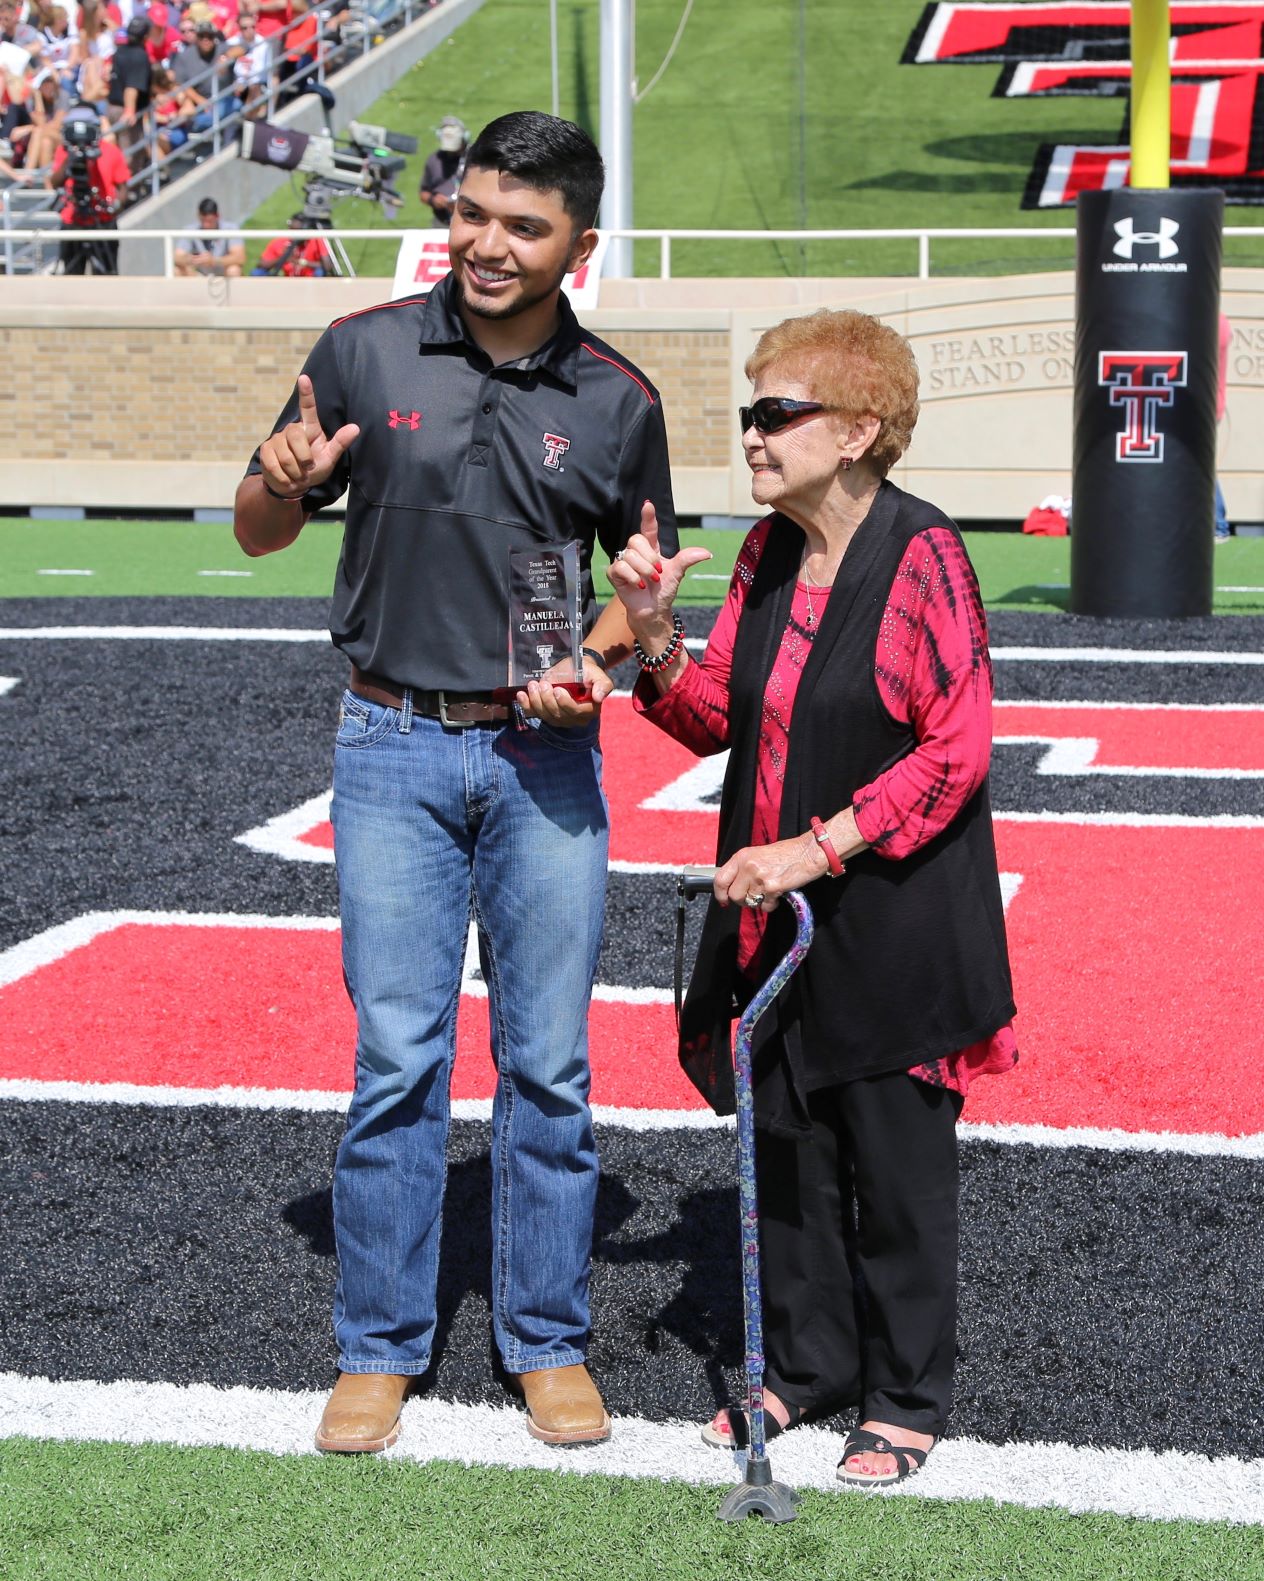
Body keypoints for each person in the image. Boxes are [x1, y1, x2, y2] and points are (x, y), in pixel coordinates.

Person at [232, 110, 677, 1456]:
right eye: (473, 210)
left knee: (548, 1066)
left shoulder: (621, 400)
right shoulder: (360, 347)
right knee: (398, 1058)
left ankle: (547, 1341)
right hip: (391, 749)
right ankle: (379, 1343)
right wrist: (281, 476)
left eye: (522, 224)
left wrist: (602, 657)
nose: (486, 242)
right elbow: (258, 531)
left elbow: (633, 600)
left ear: (578, 246)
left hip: (545, 758)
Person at [608, 308, 1017, 1489]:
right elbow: (716, 718)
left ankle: (903, 1396)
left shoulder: (924, 552)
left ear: (859, 431)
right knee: (782, 1146)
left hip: (890, 910)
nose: (751, 432)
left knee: (891, 1167)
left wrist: (815, 848)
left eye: (777, 412)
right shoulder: (763, 553)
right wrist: (649, 635)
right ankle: (807, 1362)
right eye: (750, 410)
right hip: (773, 910)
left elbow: (957, 748)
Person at [47, 100, 127, 270]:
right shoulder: (63, 151)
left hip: (102, 220)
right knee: (71, 274)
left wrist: (114, 207)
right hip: (72, 219)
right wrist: (71, 158)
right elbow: (55, 182)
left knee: (106, 273)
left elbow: (123, 187)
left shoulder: (111, 151)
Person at [173, 192, 243, 274]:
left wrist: (214, 260)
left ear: (217, 216)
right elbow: (177, 257)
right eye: (203, 220)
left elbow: (240, 257)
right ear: (198, 216)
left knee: (234, 270)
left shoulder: (230, 228)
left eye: (210, 221)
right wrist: (193, 259)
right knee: (177, 270)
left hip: (223, 275)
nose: (206, 225)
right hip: (199, 275)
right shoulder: (191, 230)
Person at [418, 113, 465, 226]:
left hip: (470, 221)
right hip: (441, 222)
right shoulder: (434, 160)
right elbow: (423, 192)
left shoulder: (477, 158)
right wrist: (433, 200)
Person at [250, 210, 326, 274]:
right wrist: (283, 257)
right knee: (258, 272)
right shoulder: (281, 241)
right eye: (291, 230)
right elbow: (261, 265)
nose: (293, 234)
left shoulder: (316, 240)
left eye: (297, 231)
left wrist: (300, 262)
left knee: (320, 271)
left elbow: (327, 266)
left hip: (310, 280)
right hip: (288, 280)